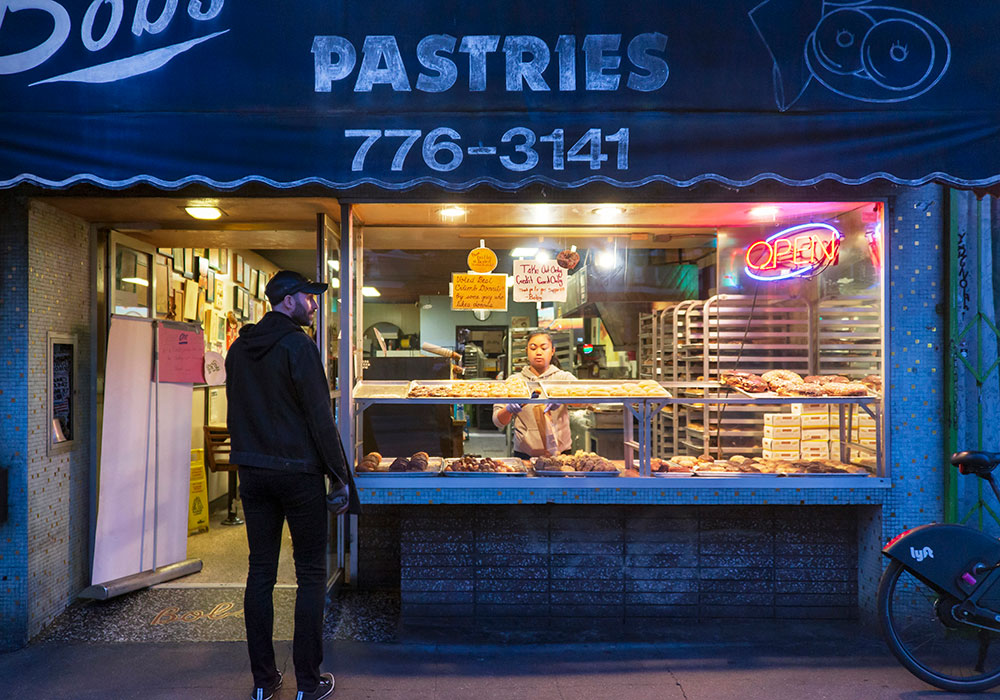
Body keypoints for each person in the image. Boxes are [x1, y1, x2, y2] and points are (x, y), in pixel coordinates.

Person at [226, 269, 360, 700]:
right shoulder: (299, 346)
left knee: (260, 572)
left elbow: (235, 411)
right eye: (309, 297)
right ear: (288, 300)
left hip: (253, 472)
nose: (315, 305)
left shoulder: (239, 349)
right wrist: (340, 477)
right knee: (311, 574)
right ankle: (308, 682)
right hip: (298, 473)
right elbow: (320, 418)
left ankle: (264, 683)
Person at [492, 331, 576, 458]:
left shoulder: (563, 378)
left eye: (544, 348)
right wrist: (508, 409)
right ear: (527, 351)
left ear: (552, 351)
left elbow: (585, 402)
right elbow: (498, 421)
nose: (538, 352)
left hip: (560, 455)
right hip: (525, 455)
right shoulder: (514, 381)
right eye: (533, 348)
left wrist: (563, 399)